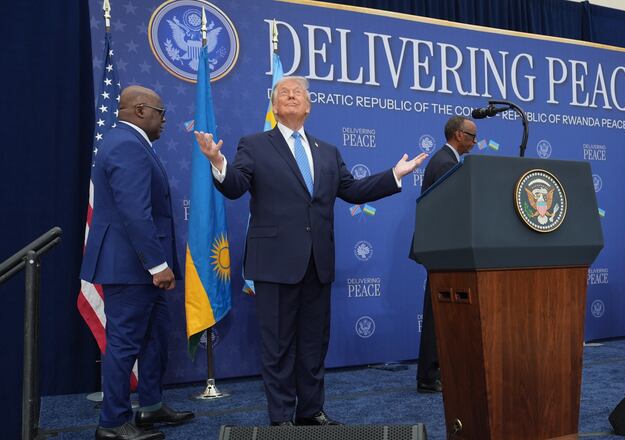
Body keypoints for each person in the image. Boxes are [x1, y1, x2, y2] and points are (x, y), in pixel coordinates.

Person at [194, 76, 427, 426]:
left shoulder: (327, 151)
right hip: (274, 264)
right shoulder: (254, 145)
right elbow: (235, 185)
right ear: (274, 106)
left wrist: (395, 174)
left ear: (308, 106)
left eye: (298, 93)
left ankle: (311, 411)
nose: (290, 96)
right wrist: (217, 161)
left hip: (318, 263)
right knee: (278, 347)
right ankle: (282, 419)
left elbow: (353, 191)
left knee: (313, 345)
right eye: (283, 93)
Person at [80, 86, 194, 440]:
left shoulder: (132, 143)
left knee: (152, 338)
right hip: (131, 266)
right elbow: (135, 212)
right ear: (141, 110)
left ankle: (149, 405)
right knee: (125, 344)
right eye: (162, 113)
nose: (165, 121)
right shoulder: (127, 144)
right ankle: (112, 424)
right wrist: (157, 265)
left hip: (137, 266)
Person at [414, 116, 477, 393]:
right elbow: (449, 211)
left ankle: (435, 372)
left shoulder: (445, 160)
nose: (475, 142)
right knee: (436, 314)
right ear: (459, 135)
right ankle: (429, 375)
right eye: (472, 136)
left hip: (441, 247)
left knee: (438, 312)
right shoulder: (446, 163)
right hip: (442, 249)